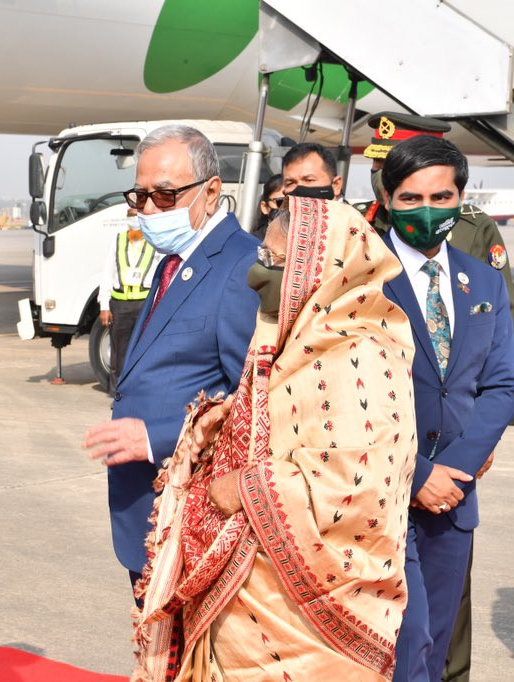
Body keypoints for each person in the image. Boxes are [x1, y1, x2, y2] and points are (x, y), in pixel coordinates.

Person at [133, 197, 418, 681]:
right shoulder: (289, 340)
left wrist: (242, 487)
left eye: (273, 261)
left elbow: (354, 489)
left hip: (311, 623)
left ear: (321, 268)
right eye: (259, 257)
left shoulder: (363, 356)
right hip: (253, 603)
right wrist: (220, 425)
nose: (255, 276)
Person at [353, 111, 514, 682]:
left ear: (460, 197)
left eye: (440, 196)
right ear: (389, 200)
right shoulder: (359, 279)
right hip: (378, 492)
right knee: (403, 647)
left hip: (453, 499)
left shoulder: (483, 280)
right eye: (411, 197)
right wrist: (417, 471)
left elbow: (501, 383)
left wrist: (456, 468)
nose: (427, 210)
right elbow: (348, 394)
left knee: (439, 644)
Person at [83, 124, 259, 599]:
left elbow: (255, 396)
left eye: (164, 196)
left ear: (212, 191)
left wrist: (153, 437)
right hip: (151, 509)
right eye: (140, 196)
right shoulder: (173, 259)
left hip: (194, 514)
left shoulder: (241, 266)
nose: (148, 210)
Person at [354, 112, 514, 318]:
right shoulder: (355, 222)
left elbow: (501, 307)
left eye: (397, 163)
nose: (384, 173)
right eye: (378, 162)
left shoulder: (472, 226)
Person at [98, 207, 159, 394]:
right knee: (119, 353)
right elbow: (107, 274)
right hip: (121, 304)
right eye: (130, 216)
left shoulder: (154, 242)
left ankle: (140, 393)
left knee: (144, 351)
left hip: (144, 304)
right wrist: (104, 306)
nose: (134, 220)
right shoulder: (118, 241)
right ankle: (117, 395)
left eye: (137, 216)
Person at [252, 173, 284, 240]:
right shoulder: (251, 243)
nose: (287, 208)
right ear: (264, 207)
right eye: (280, 202)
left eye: (292, 202)